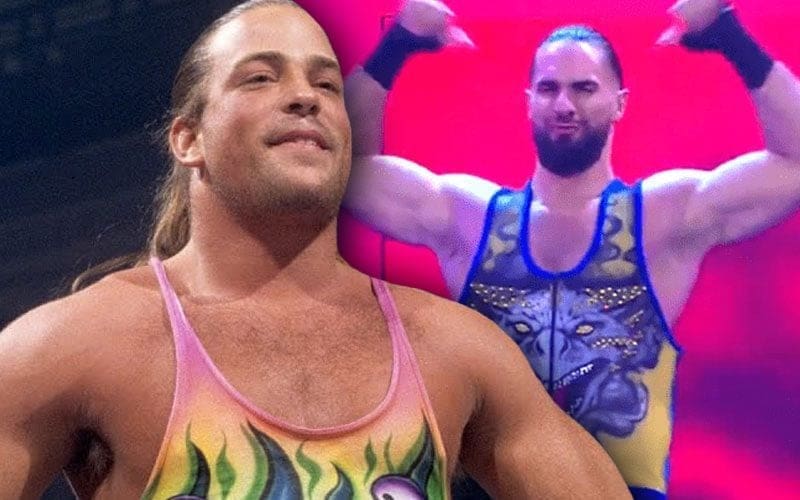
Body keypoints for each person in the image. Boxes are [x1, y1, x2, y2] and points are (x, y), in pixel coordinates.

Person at [0, 1, 632, 498]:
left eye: (327, 84)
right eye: (259, 77)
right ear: (189, 139)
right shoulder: (82, 343)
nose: (306, 97)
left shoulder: (454, 347)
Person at [343, 0, 800, 498]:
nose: (564, 105)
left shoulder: (662, 220)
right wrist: (399, 43)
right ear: (528, 102)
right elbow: (343, 166)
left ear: (619, 103)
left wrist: (729, 35)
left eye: (584, 88)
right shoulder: (468, 220)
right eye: (549, 88)